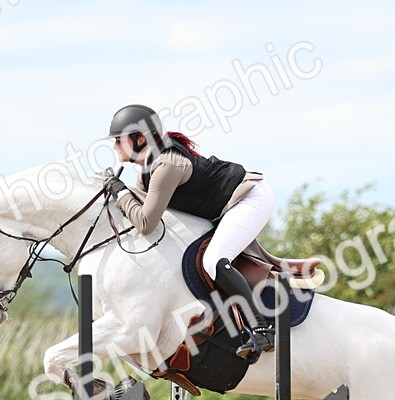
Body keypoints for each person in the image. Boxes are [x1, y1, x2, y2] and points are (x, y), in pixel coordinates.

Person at [102, 104, 276, 361]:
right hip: (226, 206)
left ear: (139, 139)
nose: (115, 146)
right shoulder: (149, 167)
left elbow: (146, 222)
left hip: (250, 199)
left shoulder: (166, 165)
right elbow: (139, 206)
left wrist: (120, 192)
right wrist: (118, 193)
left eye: (119, 140)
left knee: (214, 261)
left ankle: (261, 328)